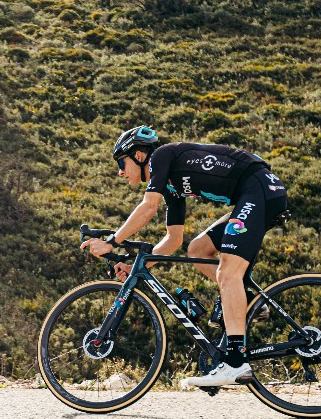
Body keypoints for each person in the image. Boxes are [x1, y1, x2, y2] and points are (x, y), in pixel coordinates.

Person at [80, 126, 289, 386]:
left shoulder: (161, 157)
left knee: (227, 272)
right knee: (198, 249)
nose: (120, 172)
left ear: (140, 155)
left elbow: (148, 207)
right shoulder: (170, 185)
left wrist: (112, 242)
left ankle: (236, 363)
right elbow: (173, 239)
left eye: (122, 163)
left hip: (258, 190)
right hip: (255, 193)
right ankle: (249, 299)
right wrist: (137, 265)